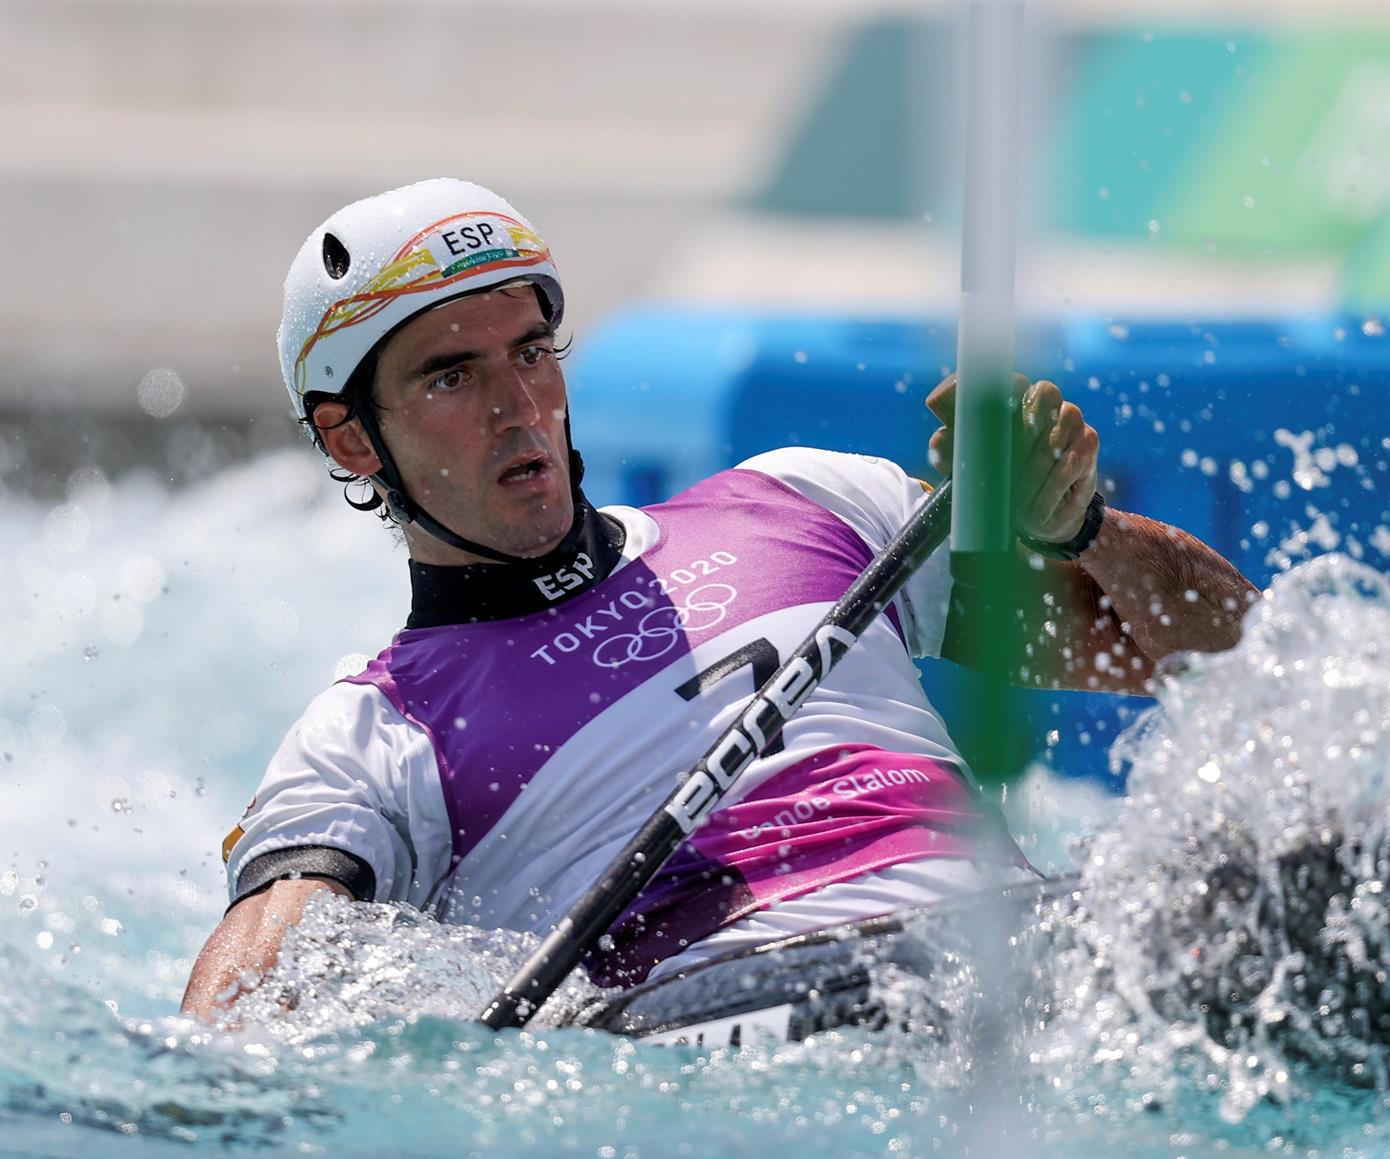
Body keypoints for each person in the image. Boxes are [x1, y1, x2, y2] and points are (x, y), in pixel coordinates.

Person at [180, 178, 1256, 1022]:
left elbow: (1233, 654)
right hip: (751, 1013)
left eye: (531, 352)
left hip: (1028, 939)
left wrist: (1082, 529)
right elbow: (242, 1007)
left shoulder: (810, 501)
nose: (519, 406)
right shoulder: (372, 735)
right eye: (452, 376)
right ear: (351, 438)